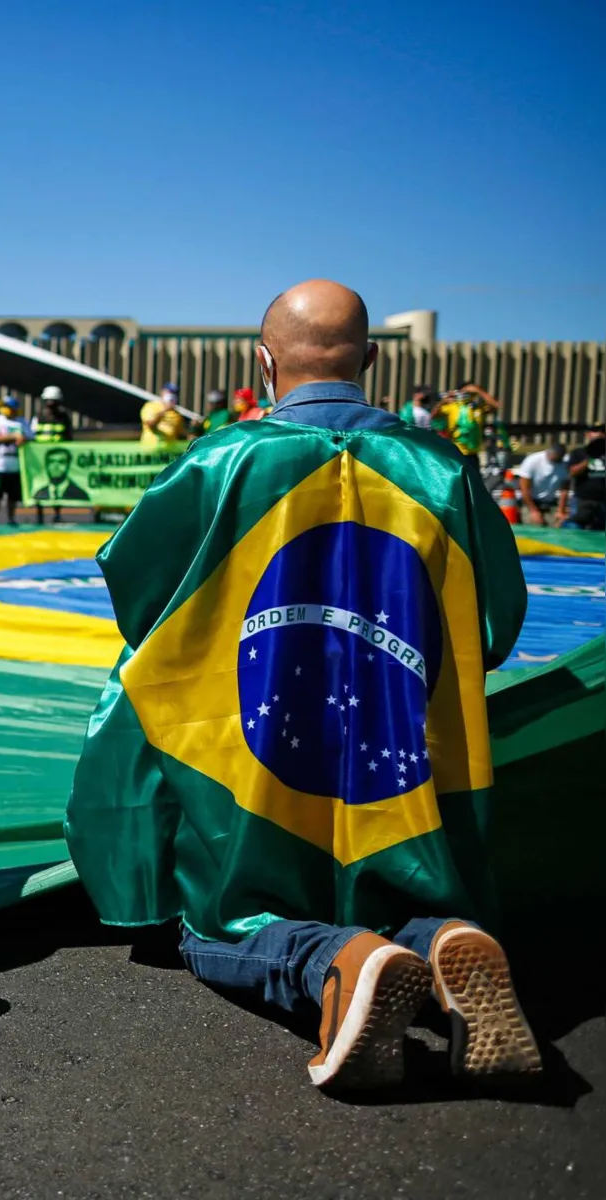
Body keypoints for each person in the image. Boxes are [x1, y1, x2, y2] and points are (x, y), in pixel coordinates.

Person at [67, 279, 541, 1091]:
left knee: (225, 922)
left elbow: (142, 600)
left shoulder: (217, 461)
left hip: (255, 751)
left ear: (263, 358)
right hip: (399, 749)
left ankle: (337, 961)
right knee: (400, 886)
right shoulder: (440, 469)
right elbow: (495, 623)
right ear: (372, 360)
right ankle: (440, 937)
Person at [0, 395, 27, 524]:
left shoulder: (21, 422)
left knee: (13, 496)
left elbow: (29, 436)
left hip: (16, 465)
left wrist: (23, 438)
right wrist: (13, 436)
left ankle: (11, 518)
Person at [30, 388, 69, 525]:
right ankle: (39, 514)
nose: (51, 404)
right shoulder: (38, 417)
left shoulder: (64, 417)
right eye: (49, 401)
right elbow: (32, 435)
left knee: (58, 487)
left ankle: (57, 514)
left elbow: (69, 437)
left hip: (58, 457)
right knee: (40, 486)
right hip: (41, 458)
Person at [514, 443, 570, 526]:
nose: (559, 461)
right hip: (530, 502)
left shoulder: (565, 463)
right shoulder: (532, 461)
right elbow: (524, 489)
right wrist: (534, 511)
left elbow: (564, 489)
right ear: (549, 453)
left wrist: (561, 510)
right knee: (535, 526)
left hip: (550, 503)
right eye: (556, 458)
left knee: (559, 526)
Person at [566, 430, 605, 529]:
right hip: (582, 499)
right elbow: (571, 472)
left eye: (602, 432)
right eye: (595, 431)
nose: (599, 434)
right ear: (587, 434)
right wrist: (589, 459)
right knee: (575, 527)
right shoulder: (579, 452)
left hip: (603, 501)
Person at [140, 381, 190, 450]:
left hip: (168, 453)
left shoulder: (177, 414)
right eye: (169, 392)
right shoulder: (151, 406)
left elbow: (180, 434)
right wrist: (165, 410)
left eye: (174, 393)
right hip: (150, 451)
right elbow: (150, 424)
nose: (172, 395)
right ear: (162, 392)